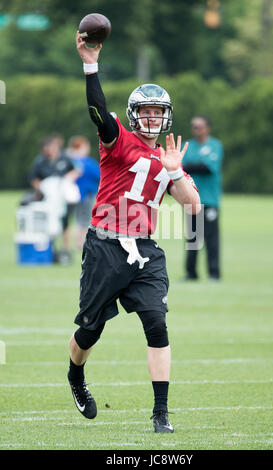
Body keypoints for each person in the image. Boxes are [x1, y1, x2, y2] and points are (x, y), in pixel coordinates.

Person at [67, 31, 200, 434]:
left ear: (167, 116)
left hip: (144, 250)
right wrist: (90, 64)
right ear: (133, 114)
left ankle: (161, 414)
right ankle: (76, 375)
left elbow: (193, 206)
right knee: (89, 330)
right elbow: (97, 110)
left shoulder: (169, 156)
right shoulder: (118, 141)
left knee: (156, 324)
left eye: (159, 112)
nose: (153, 118)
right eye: (146, 111)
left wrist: (174, 170)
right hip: (104, 246)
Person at [182, 115, 224, 281]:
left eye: (199, 126)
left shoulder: (215, 145)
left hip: (210, 200)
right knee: (193, 238)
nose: (196, 129)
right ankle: (191, 273)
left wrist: (190, 166)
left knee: (211, 238)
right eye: (194, 126)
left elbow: (208, 168)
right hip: (191, 199)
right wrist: (193, 165)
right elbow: (179, 167)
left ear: (207, 128)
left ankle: (214, 273)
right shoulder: (188, 146)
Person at [29, 134, 79, 260]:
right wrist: (44, 188)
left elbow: (75, 171)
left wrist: (68, 180)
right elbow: (34, 179)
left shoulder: (65, 159)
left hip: (63, 198)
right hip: (48, 199)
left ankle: (65, 249)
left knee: (65, 223)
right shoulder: (40, 162)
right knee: (49, 223)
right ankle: (50, 248)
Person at [66, 136, 100, 250]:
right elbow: (99, 175)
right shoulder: (86, 162)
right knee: (84, 220)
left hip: (70, 196)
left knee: (76, 219)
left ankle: (77, 243)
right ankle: (81, 243)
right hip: (86, 194)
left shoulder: (68, 161)